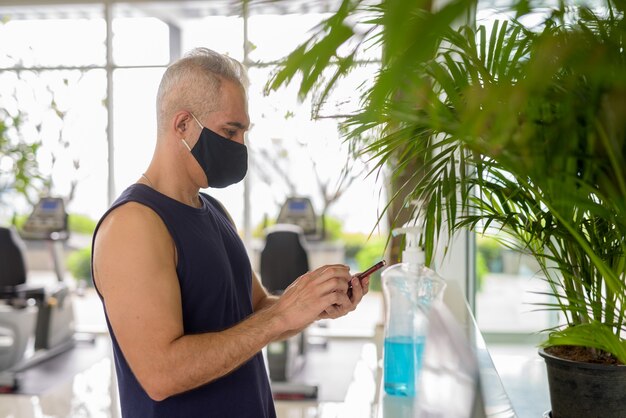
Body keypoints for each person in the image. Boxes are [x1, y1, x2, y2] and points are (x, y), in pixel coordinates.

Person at [91, 47, 370, 418]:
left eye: (243, 132)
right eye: (230, 131)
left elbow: (254, 312)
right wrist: (281, 317)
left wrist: (312, 305)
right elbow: (160, 374)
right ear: (183, 125)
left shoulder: (214, 211)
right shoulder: (132, 226)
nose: (240, 146)